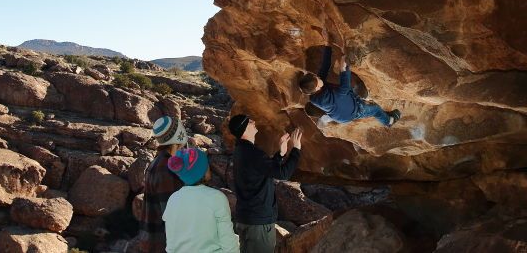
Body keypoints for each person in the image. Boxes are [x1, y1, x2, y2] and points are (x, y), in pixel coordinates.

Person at [229, 114, 302, 253]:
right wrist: (296, 150)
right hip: (258, 222)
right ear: (244, 130)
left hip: (247, 218)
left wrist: (280, 154)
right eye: (250, 122)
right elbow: (283, 174)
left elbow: (265, 170)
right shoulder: (252, 153)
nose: (254, 121)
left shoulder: (241, 151)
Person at [298, 41, 400, 127]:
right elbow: (345, 88)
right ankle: (389, 121)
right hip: (351, 112)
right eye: (317, 78)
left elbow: (325, 67)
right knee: (375, 109)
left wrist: (327, 43)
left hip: (342, 110)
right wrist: (344, 69)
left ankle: (384, 114)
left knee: (364, 100)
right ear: (317, 87)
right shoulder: (328, 98)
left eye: (315, 76)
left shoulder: (314, 92)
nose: (318, 77)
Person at [162, 147, 239, 253]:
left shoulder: (173, 199)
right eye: (206, 165)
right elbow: (229, 244)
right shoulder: (216, 198)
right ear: (202, 171)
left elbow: (170, 244)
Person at [139, 116, 188, 253]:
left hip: (152, 240)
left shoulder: (157, 162)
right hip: (163, 244)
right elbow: (172, 215)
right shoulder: (166, 168)